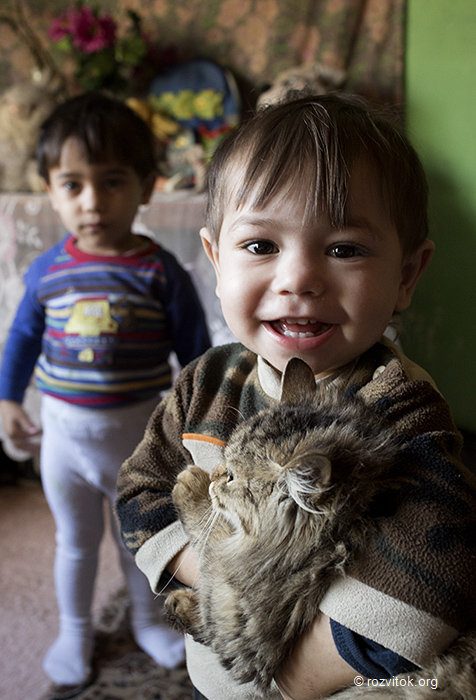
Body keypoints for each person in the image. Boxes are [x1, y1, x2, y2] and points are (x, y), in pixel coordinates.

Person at [115, 93, 476, 700]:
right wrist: (231, 586)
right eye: (261, 246)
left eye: (345, 249)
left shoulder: (402, 408)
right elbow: (139, 489)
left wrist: (289, 679)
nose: (300, 279)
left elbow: (432, 580)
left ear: (407, 276)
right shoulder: (206, 384)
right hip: (220, 677)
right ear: (214, 259)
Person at [0, 92, 211, 695]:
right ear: (50, 187)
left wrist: (197, 426)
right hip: (63, 441)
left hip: (137, 446)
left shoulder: (161, 271)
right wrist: (8, 399)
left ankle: (147, 618)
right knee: (74, 542)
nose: (91, 202)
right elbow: (19, 340)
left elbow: (195, 354)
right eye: (72, 184)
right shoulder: (46, 271)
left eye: (112, 182)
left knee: (142, 543)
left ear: (146, 187)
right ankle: (73, 629)